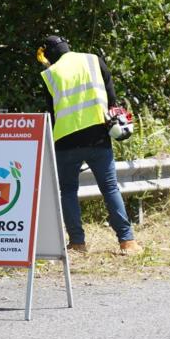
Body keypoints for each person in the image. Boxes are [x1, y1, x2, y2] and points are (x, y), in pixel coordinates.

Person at [38, 35, 142, 254]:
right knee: (110, 188)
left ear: (49, 55)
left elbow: (52, 113)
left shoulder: (50, 74)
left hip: (66, 141)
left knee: (68, 192)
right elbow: (112, 101)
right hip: (98, 137)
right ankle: (127, 241)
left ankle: (77, 243)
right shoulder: (93, 60)